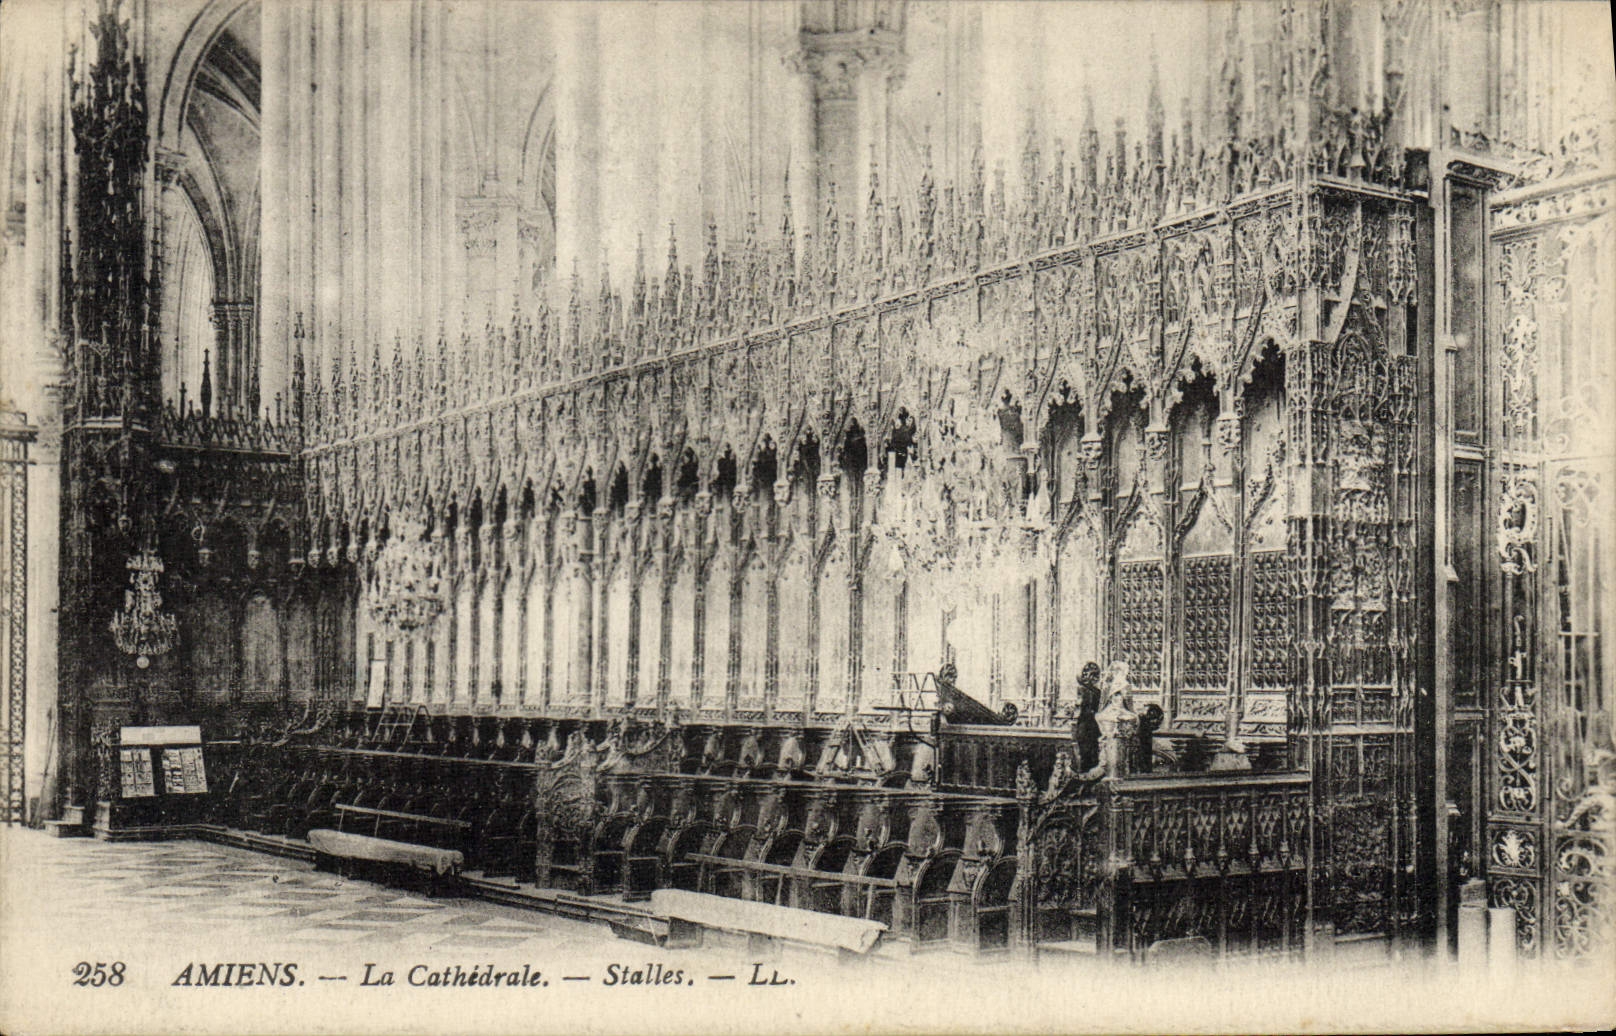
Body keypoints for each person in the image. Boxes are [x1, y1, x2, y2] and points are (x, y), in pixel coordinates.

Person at [1072, 662, 1103, 774]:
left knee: (1085, 754)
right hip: (1092, 725)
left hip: (1085, 725)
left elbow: (1078, 710)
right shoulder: (1097, 692)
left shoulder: (1083, 689)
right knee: (1091, 754)